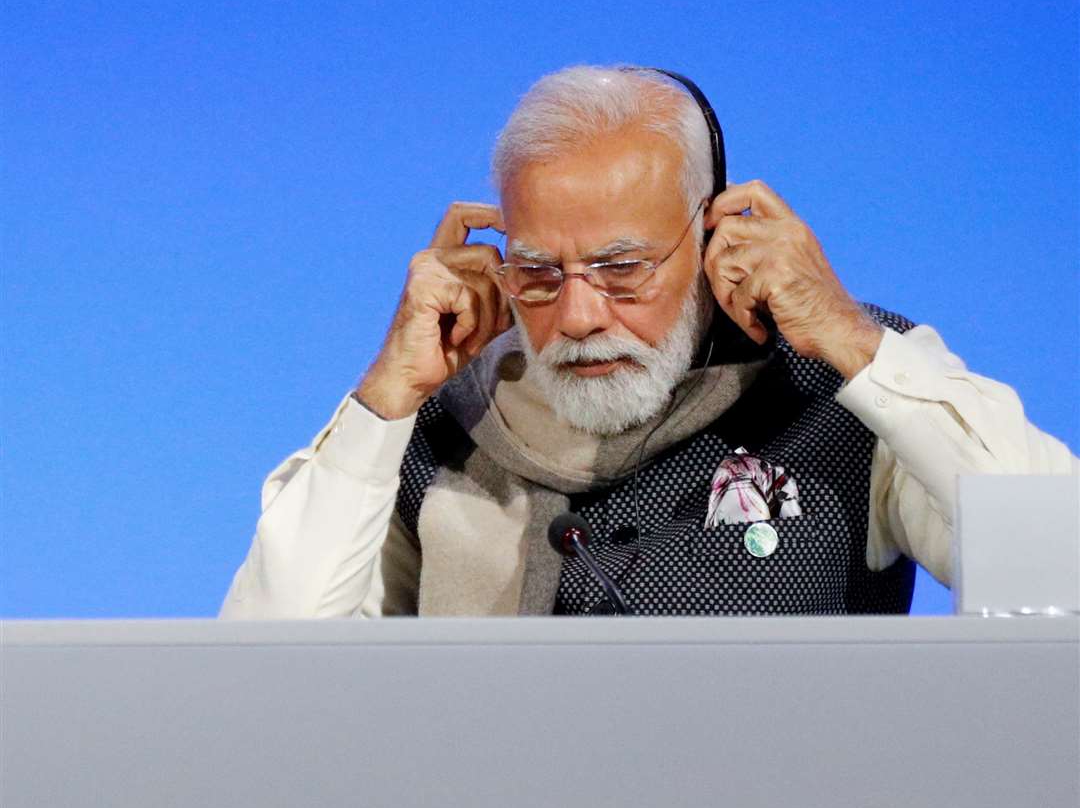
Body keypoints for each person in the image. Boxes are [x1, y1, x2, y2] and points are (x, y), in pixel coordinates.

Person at [221, 65, 1076, 619]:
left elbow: (1062, 573)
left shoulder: (839, 395)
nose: (581, 315)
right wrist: (383, 402)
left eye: (623, 267)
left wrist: (855, 345)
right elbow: (260, 682)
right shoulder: (432, 430)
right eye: (539, 274)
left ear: (714, 240)